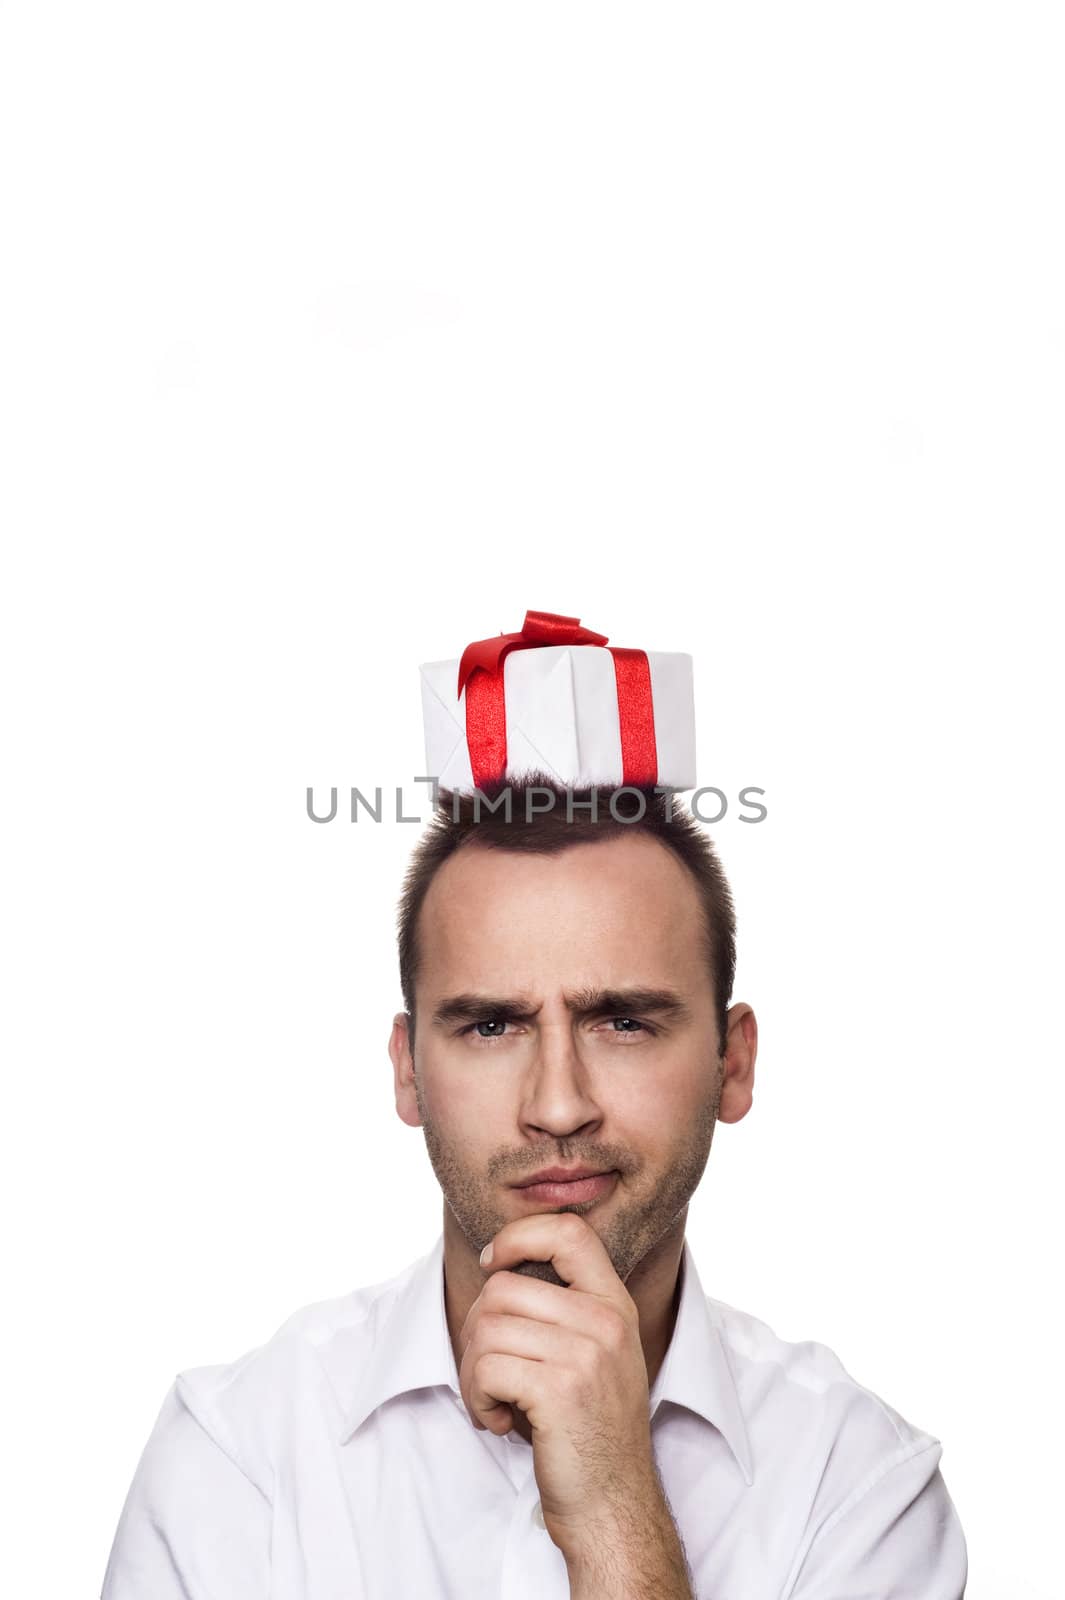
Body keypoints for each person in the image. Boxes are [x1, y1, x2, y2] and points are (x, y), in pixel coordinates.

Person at [101, 779, 968, 1598]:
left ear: (731, 1063)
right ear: (408, 1073)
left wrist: (613, 1510)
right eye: (490, 1026)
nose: (557, 1106)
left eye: (623, 1021)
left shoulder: (859, 1484)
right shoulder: (236, 1452)